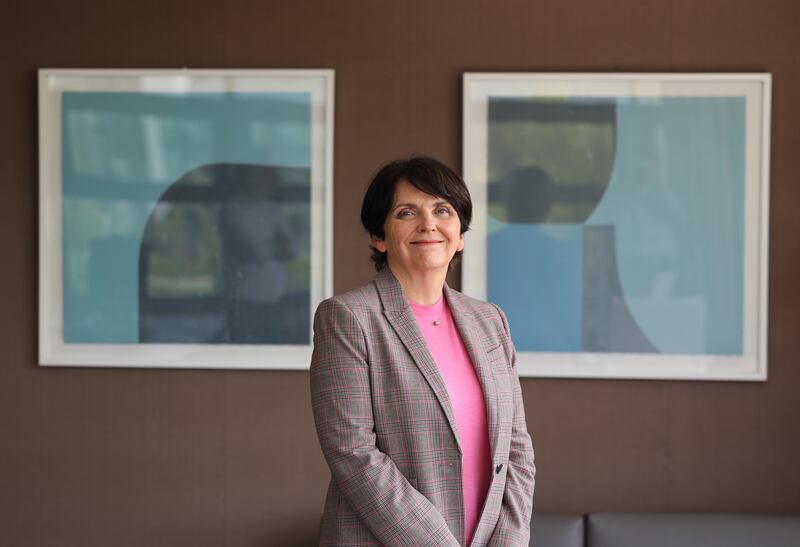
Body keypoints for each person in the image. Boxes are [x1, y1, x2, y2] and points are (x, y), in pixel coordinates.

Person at [310, 157, 535, 546]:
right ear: (379, 236)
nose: (428, 224)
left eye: (442, 210)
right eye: (407, 212)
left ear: (460, 234)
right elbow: (354, 454)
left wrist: (508, 541)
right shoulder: (348, 318)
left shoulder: (490, 321)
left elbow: (516, 449)